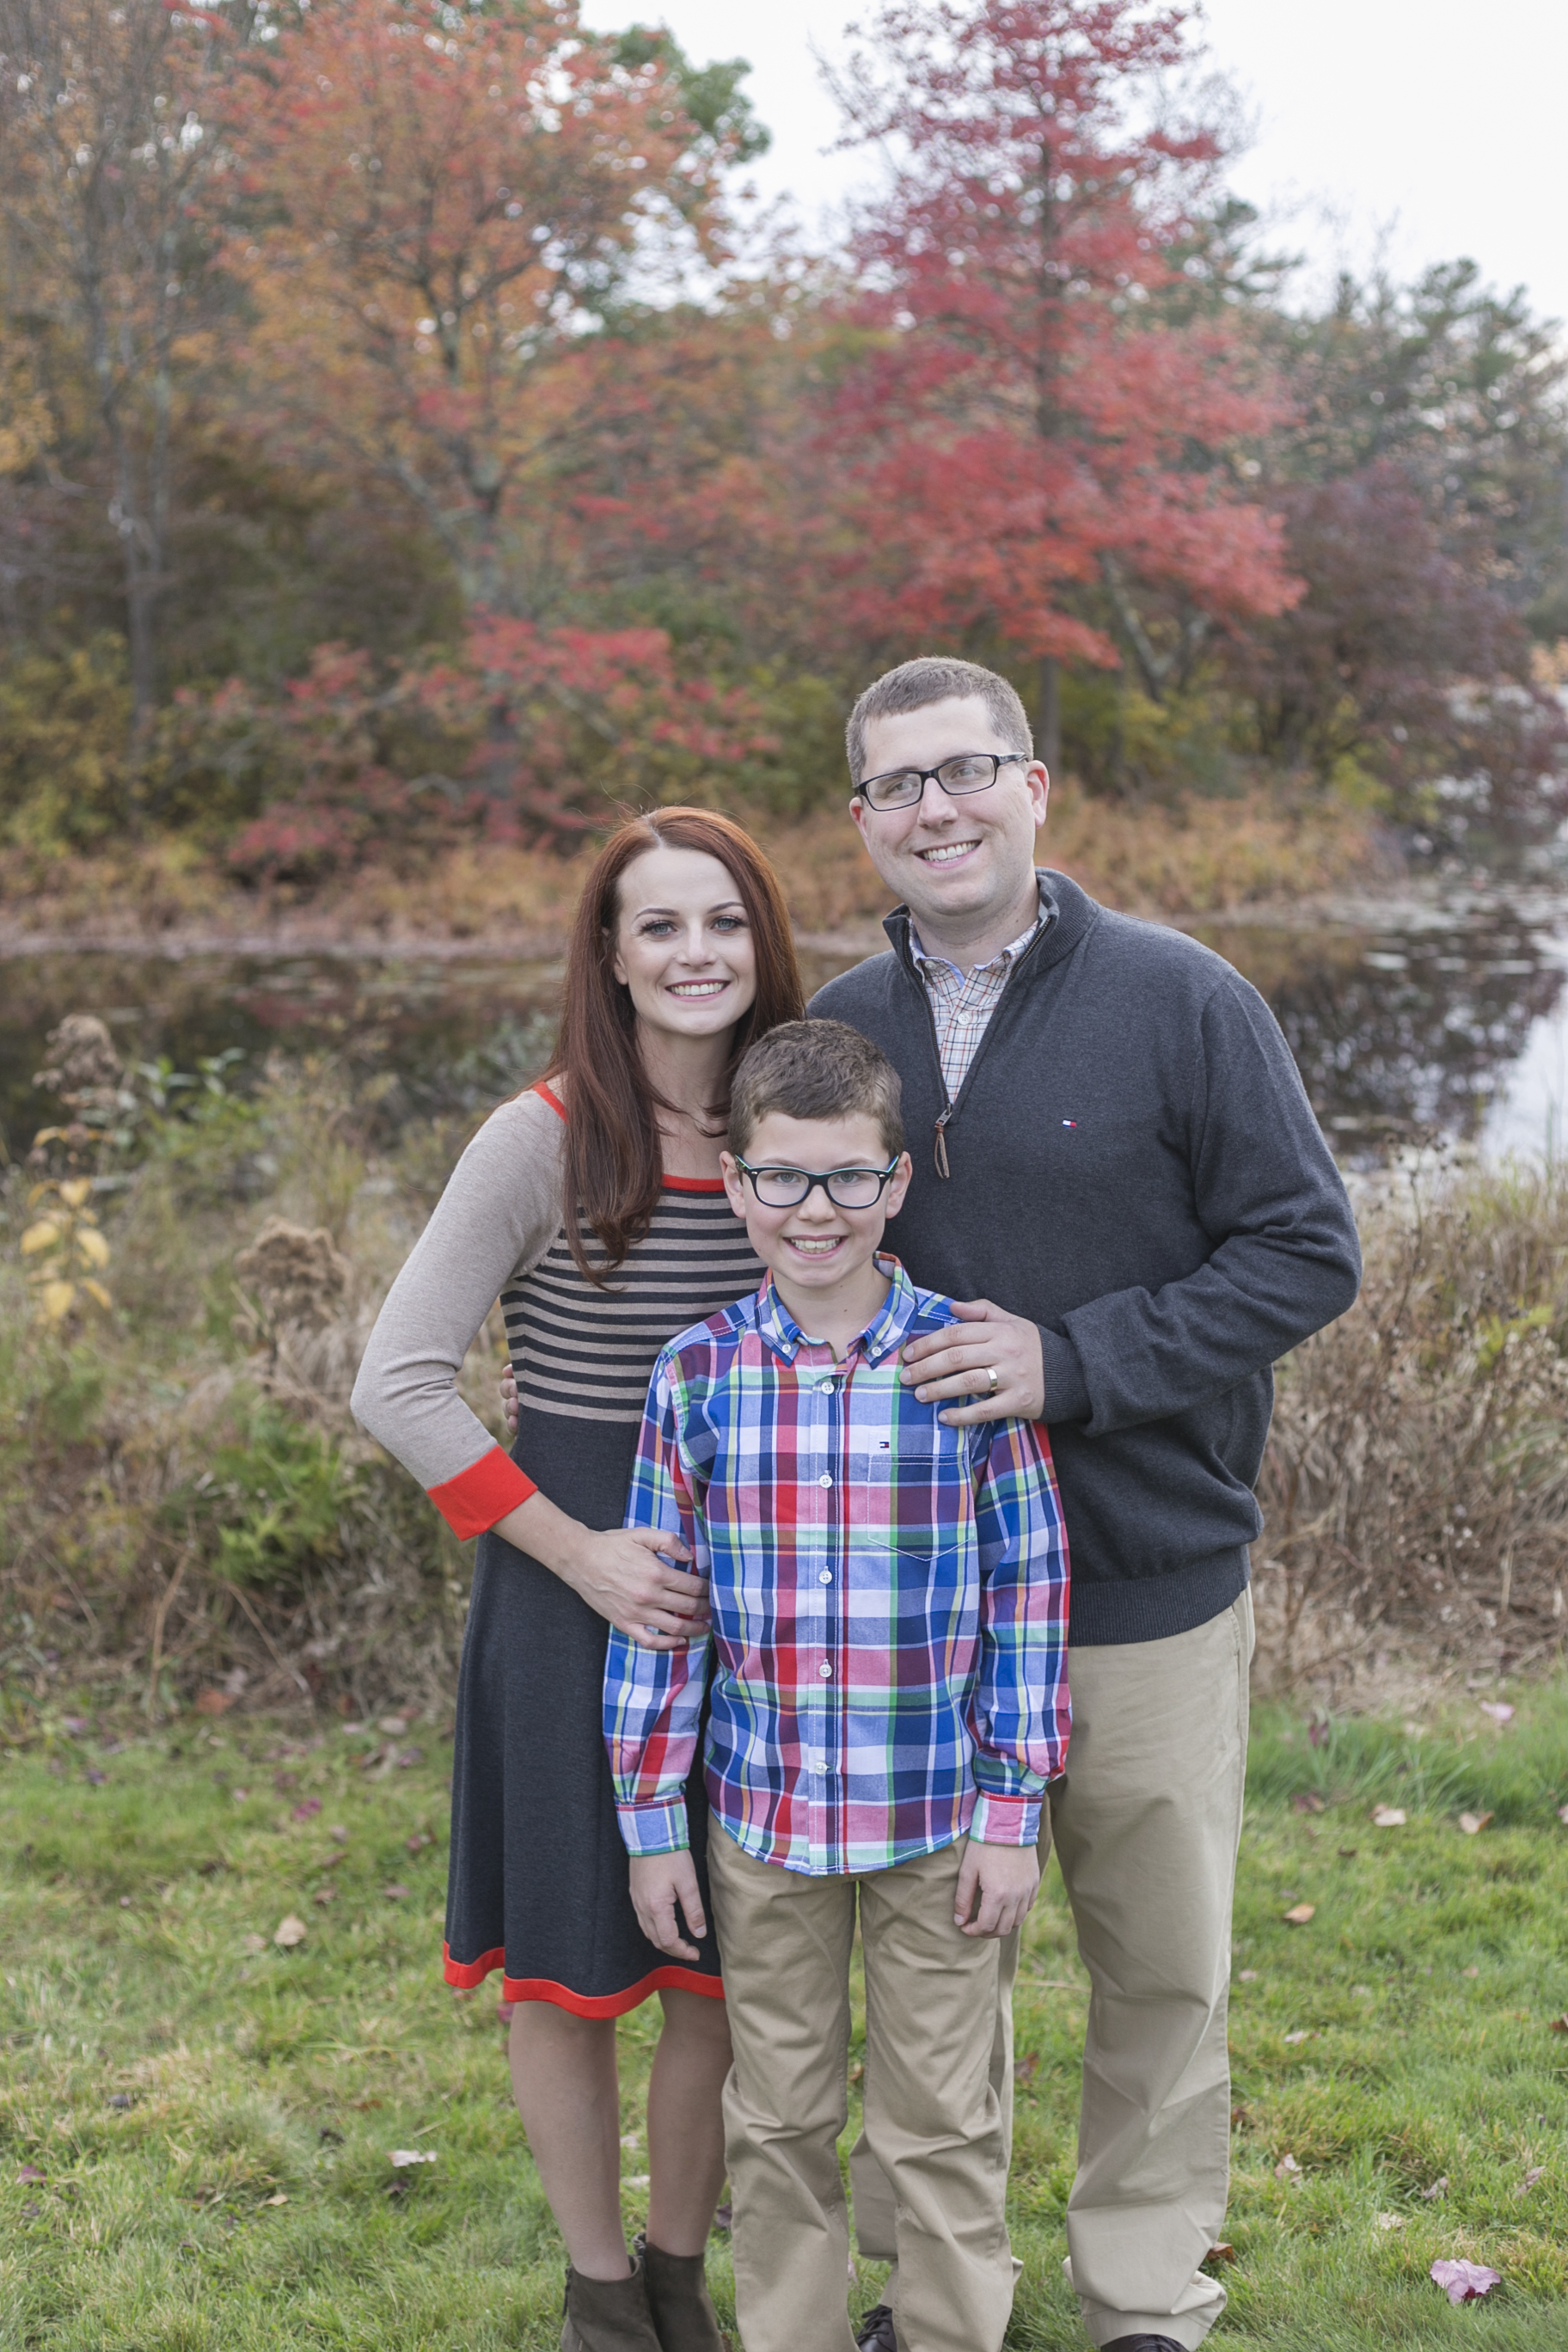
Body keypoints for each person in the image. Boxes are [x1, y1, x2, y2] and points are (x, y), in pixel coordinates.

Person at [803, 657, 1363, 2352]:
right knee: (926, 1991)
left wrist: (1079, 1363)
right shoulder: (840, 1027)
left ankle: (1141, 2299)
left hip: (1146, 1577)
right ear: (863, 822)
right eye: (899, 786)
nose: (937, 809)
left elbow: (1305, 1252)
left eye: (966, 770)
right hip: (913, 1603)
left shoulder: (1184, 1000)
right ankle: (938, 2298)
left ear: (1035, 787)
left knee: (1160, 1973)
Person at [351, 809, 805, 2352]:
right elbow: (398, 1383)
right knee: (569, 1956)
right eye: (659, 926)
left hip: (761, 1595)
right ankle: (601, 2295)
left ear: (766, 940)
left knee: (719, 1965)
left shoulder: (798, 1127)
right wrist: (581, 1554)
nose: (696, 955)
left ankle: (681, 2277)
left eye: (723, 921)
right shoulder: (541, 1136)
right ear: (608, 957)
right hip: (572, 1582)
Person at [603, 1019, 1070, 2352]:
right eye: (788, 1179)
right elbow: (663, 1620)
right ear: (739, 1185)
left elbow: (1027, 1597)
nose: (820, 1212)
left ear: (898, 1183)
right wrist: (652, 1828)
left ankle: (942, 2332)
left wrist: (1011, 1808)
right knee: (783, 2113)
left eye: (851, 1179)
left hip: (937, 1825)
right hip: (766, 1827)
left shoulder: (961, 1365)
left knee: (942, 2116)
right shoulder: (697, 1377)